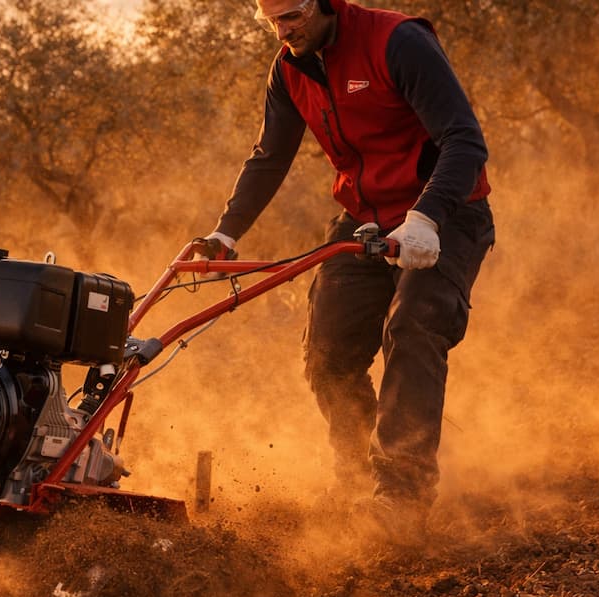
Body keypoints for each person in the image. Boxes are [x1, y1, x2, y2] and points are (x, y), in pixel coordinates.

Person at [195, 0, 496, 541]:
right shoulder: (289, 68)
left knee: (411, 329)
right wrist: (225, 233)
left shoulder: (397, 42)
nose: (283, 33)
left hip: (446, 214)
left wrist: (426, 218)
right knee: (328, 354)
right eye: (272, 23)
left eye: (293, 18)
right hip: (365, 221)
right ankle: (356, 481)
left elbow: (465, 141)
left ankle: (401, 498)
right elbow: (270, 156)